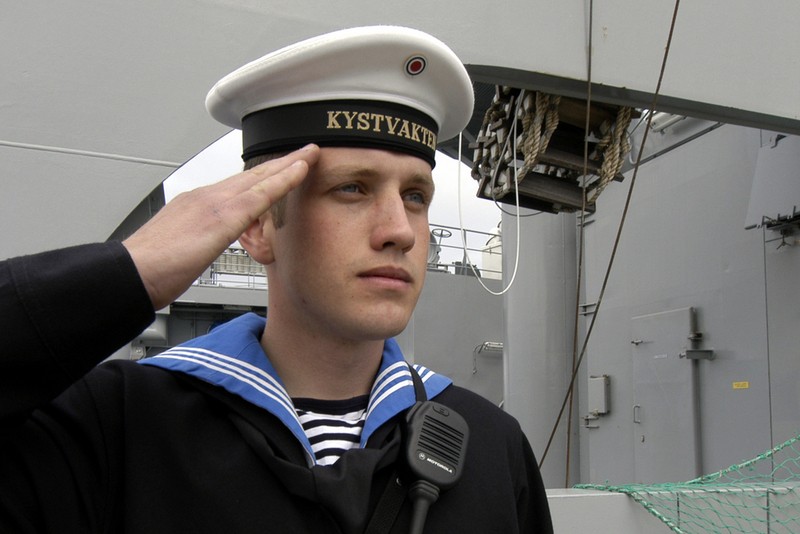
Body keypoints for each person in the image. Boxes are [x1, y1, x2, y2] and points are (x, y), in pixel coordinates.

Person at [0, 26, 553, 533]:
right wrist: (128, 273)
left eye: (415, 197)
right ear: (259, 226)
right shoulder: (116, 431)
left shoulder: (493, 449)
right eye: (353, 189)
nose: (399, 231)